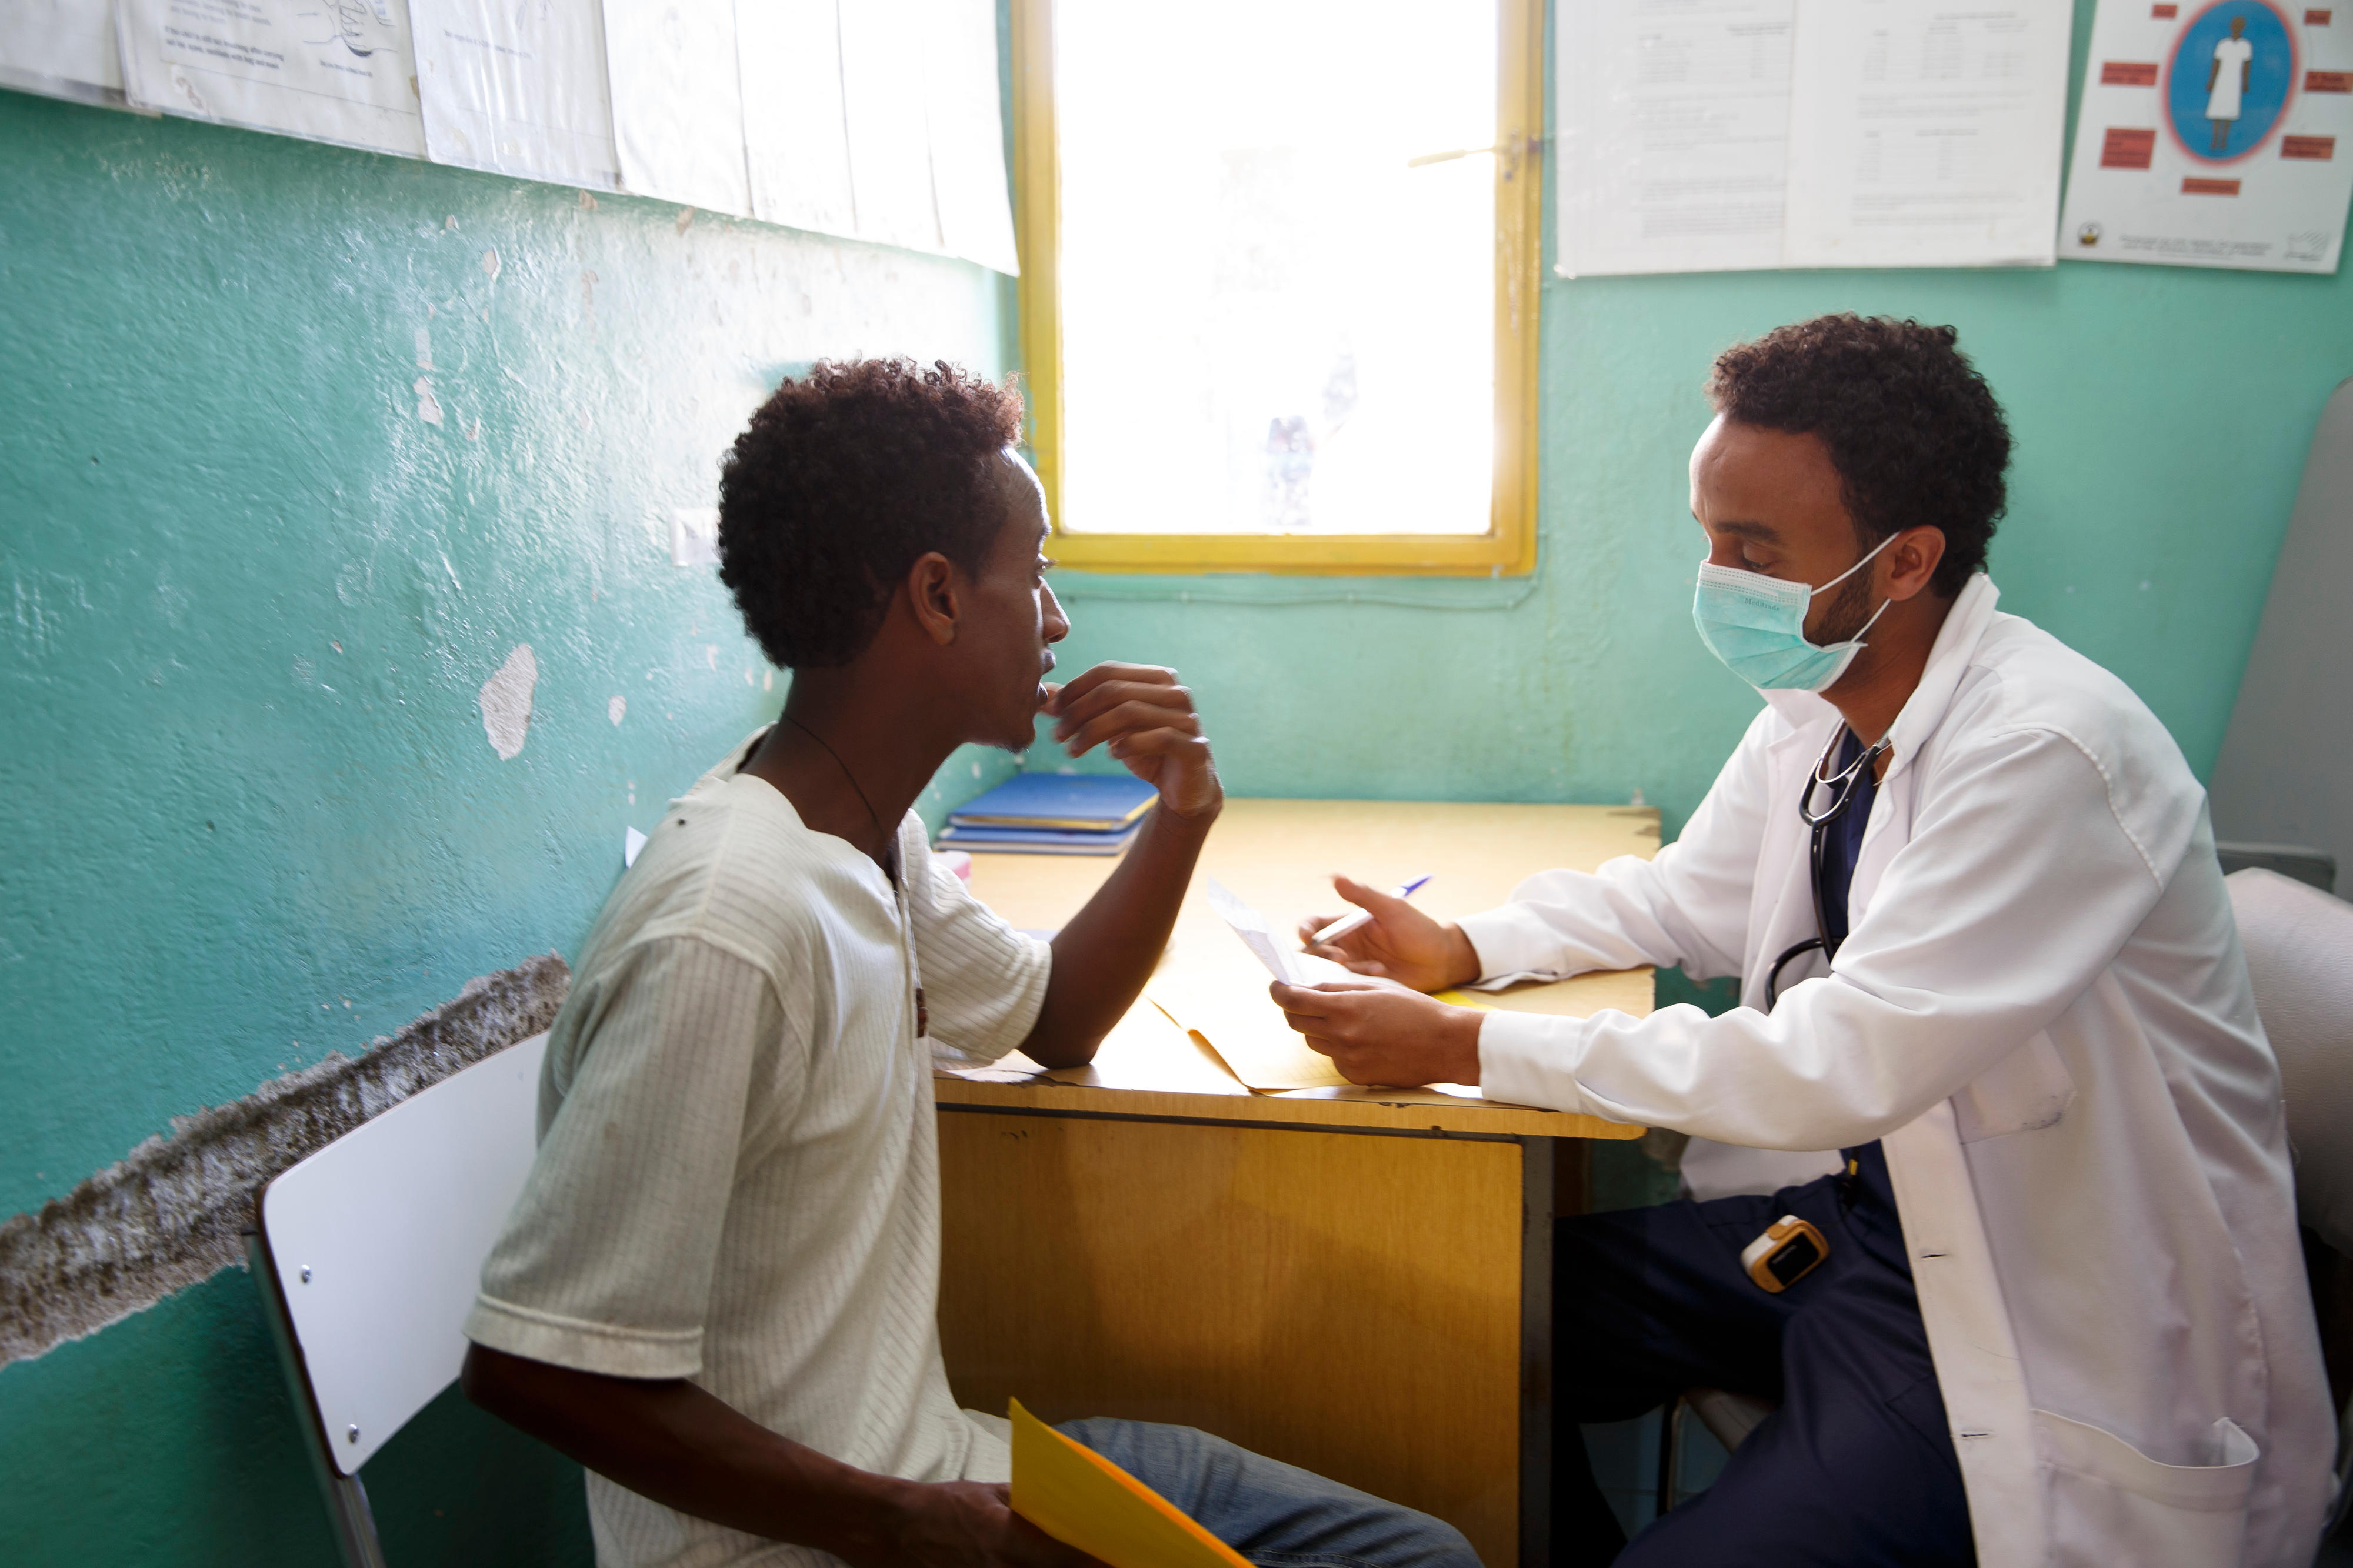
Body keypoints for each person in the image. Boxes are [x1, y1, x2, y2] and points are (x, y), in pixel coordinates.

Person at [1271, 316, 2331, 1566]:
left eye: (1752, 548)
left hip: (2012, 1305)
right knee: (1440, 1327)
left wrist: (1465, 1047)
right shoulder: (1820, 705)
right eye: (1706, 537)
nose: (1715, 578)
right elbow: (1683, 904)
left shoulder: (2045, 752)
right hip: (1860, 1227)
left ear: (1903, 562)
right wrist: (1459, 940)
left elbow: (1839, 1060)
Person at [460, 358, 1478, 1568]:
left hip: (933, 1471)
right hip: (825, 1539)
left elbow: (1053, 1016)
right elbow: (535, 1366)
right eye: (1035, 573)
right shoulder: (725, 929)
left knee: (1420, 1556)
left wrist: (1185, 812)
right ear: (937, 596)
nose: (1053, 619)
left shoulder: (858, 830)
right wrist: (905, 1522)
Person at [2207, 15, 2254, 155]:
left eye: (2239, 26)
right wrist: (2211, 81)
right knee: (2217, 110)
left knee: (2229, 112)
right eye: (2235, 25)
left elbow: (2247, 66)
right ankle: (2215, 139)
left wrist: (2245, 83)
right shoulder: (2223, 44)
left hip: (2235, 81)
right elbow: (2216, 64)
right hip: (2222, 79)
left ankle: (2224, 140)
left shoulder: (2246, 46)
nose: (2236, 28)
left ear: (2242, 28)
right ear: (2231, 26)